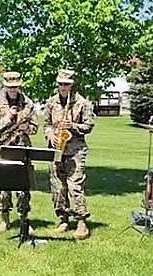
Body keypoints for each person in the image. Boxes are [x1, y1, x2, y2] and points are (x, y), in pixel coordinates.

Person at [45, 69, 95, 240]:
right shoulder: (51, 102)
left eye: (66, 84)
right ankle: (63, 219)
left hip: (75, 151)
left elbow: (89, 126)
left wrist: (73, 125)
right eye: (60, 84)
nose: (63, 87)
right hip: (56, 149)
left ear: (72, 84)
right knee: (58, 186)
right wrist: (50, 133)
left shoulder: (82, 103)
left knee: (74, 186)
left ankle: (81, 222)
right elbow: (46, 124)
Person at [0, 71, 37, 231]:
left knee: (23, 188)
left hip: (22, 149)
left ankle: (24, 218)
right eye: (10, 87)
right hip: (4, 150)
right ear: (5, 86)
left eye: (15, 87)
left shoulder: (28, 103)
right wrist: (8, 117)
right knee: (4, 187)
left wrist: (26, 128)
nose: (13, 89)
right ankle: (4, 219)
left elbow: (35, 128)